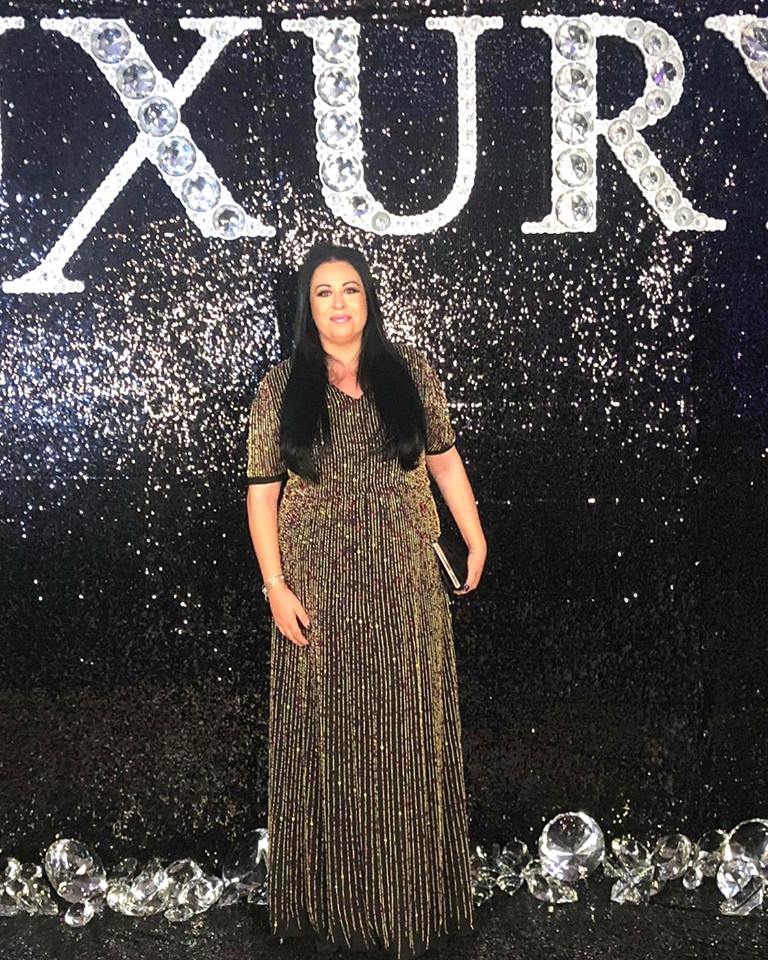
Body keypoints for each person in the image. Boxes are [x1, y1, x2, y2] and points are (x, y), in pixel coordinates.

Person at [245, 242, 487, 959]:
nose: (339, 303)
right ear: (307, 307)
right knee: (329, 741)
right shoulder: (282, 386)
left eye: (350, 288)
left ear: (369, 298)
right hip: (317, 591)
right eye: (323, 292)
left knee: (408, 738)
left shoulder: (410, 371)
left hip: (406, 585)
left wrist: (474, 536)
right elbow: (262, 497)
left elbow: (444, 459)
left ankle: (412, 900)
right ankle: (334, 907)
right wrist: (275, 586)